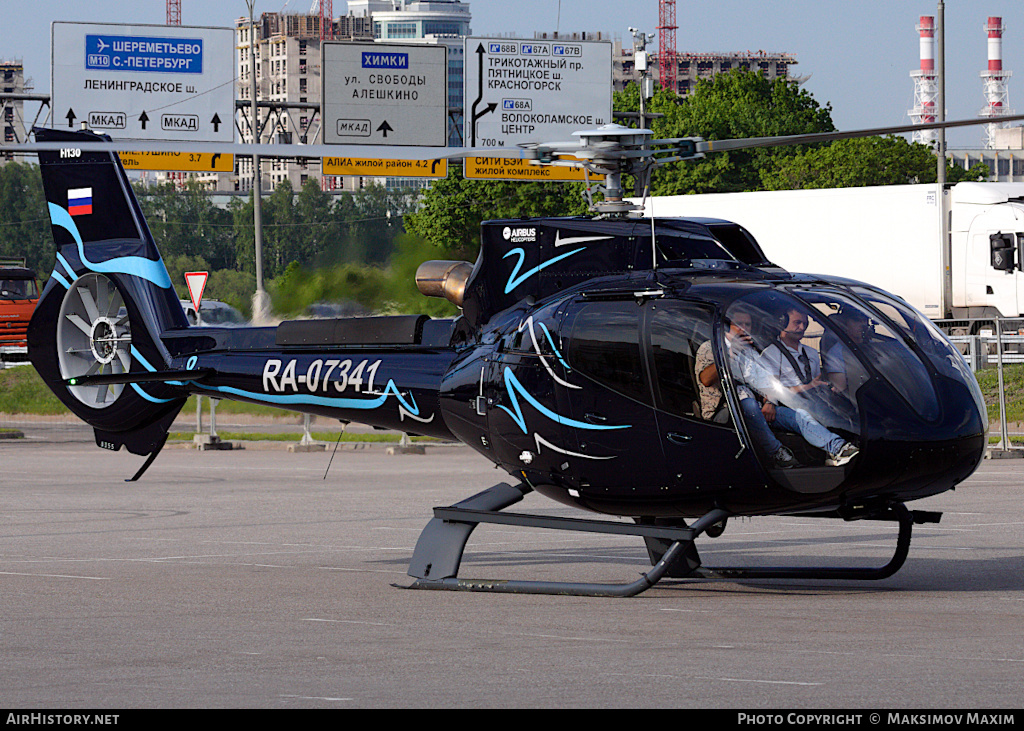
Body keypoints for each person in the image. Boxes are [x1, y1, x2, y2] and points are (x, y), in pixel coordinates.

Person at [754, 307, 860, 467]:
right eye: (797, 323)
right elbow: (771, 393)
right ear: (781, 323)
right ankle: (838, 449)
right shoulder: (771, 355)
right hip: (781, 407)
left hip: (809, 401)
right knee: (803, 415)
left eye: (805, 323)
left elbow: (816, 385)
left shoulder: (810, 353)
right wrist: (808, 386)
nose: (802, 328)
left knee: (837, 411)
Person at [695, 307, 798, 469]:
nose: (743, 328)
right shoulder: (710, 347)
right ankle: (776, 451)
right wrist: (729, 353)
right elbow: (706, 379)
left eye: (747, 324)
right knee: (748, 404)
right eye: (739, 324)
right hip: (722, 413)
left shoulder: (750, 352)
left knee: (797, 416)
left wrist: (769, 401)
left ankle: (836, 448)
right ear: (728, 326)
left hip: (754, 410)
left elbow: (766, 383)